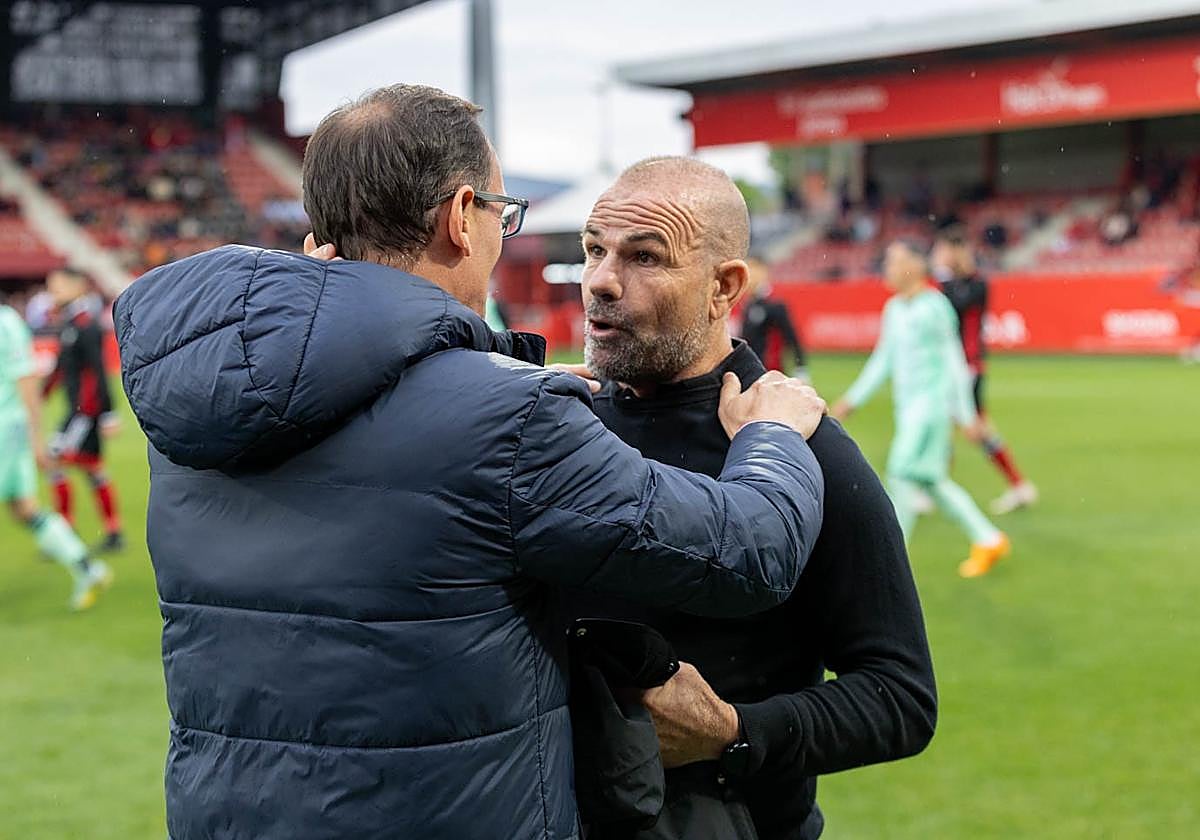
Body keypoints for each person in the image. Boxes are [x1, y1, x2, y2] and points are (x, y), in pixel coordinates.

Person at [113, 84, 827, 840]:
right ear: (460, 216)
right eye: (499, 213)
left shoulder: (196, 401)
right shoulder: (509, 419)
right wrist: (772, 435)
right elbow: (748, 551)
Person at [558, 157, 935, 839]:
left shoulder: (808, 450)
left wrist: (734, 733)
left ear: (723, 286)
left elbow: (901, 698)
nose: (601, 281)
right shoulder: (564, 424)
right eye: (593, 249)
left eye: (645, 256)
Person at [832, 240, 1010, 578]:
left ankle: (888, 558)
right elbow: (882, 360)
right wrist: (851, 400)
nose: (886, 268)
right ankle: (988, 539)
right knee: (930, 480)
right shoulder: (894, 309)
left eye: (894, 261)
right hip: (907, 408)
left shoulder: (935, 307)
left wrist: (967, 413)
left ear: (914, 266)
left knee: (900, 471)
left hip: (931, 407)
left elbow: (955, 362)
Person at [0, 301, 112, 610]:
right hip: (10, 428)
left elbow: (26, 379)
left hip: (5, 428)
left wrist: (35, 438)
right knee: (22, 507)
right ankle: (88, 568)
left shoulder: (5, 323)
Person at [931, 229, 1037, 514]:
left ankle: (1018, 485)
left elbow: (955, 307)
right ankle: (933, 486)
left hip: (969, 367)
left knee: (971, 428)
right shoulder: (955, 284)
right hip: (959, 366)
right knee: (957, 426)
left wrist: (943, 276)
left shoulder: (975, 285)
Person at [42, 268, 124, 550]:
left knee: (53, 461)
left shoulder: (86, 325)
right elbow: (61, 368)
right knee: (92, 470)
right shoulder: (70, 323)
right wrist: (40, 393)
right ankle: (113, 533)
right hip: (77, 412)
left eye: (57, 285)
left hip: (84, 413)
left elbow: (98, 370)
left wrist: (108, 413)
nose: (52, 290)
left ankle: (65, 532)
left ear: (78, 287)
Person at [739, 256, 809, 381]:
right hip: (749, 372)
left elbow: (792, 337)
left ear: (763, 273)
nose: (748, 275)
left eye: (752, 269)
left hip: (770, 374)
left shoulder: (775, 304)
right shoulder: (748, 304)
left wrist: (800, 368)